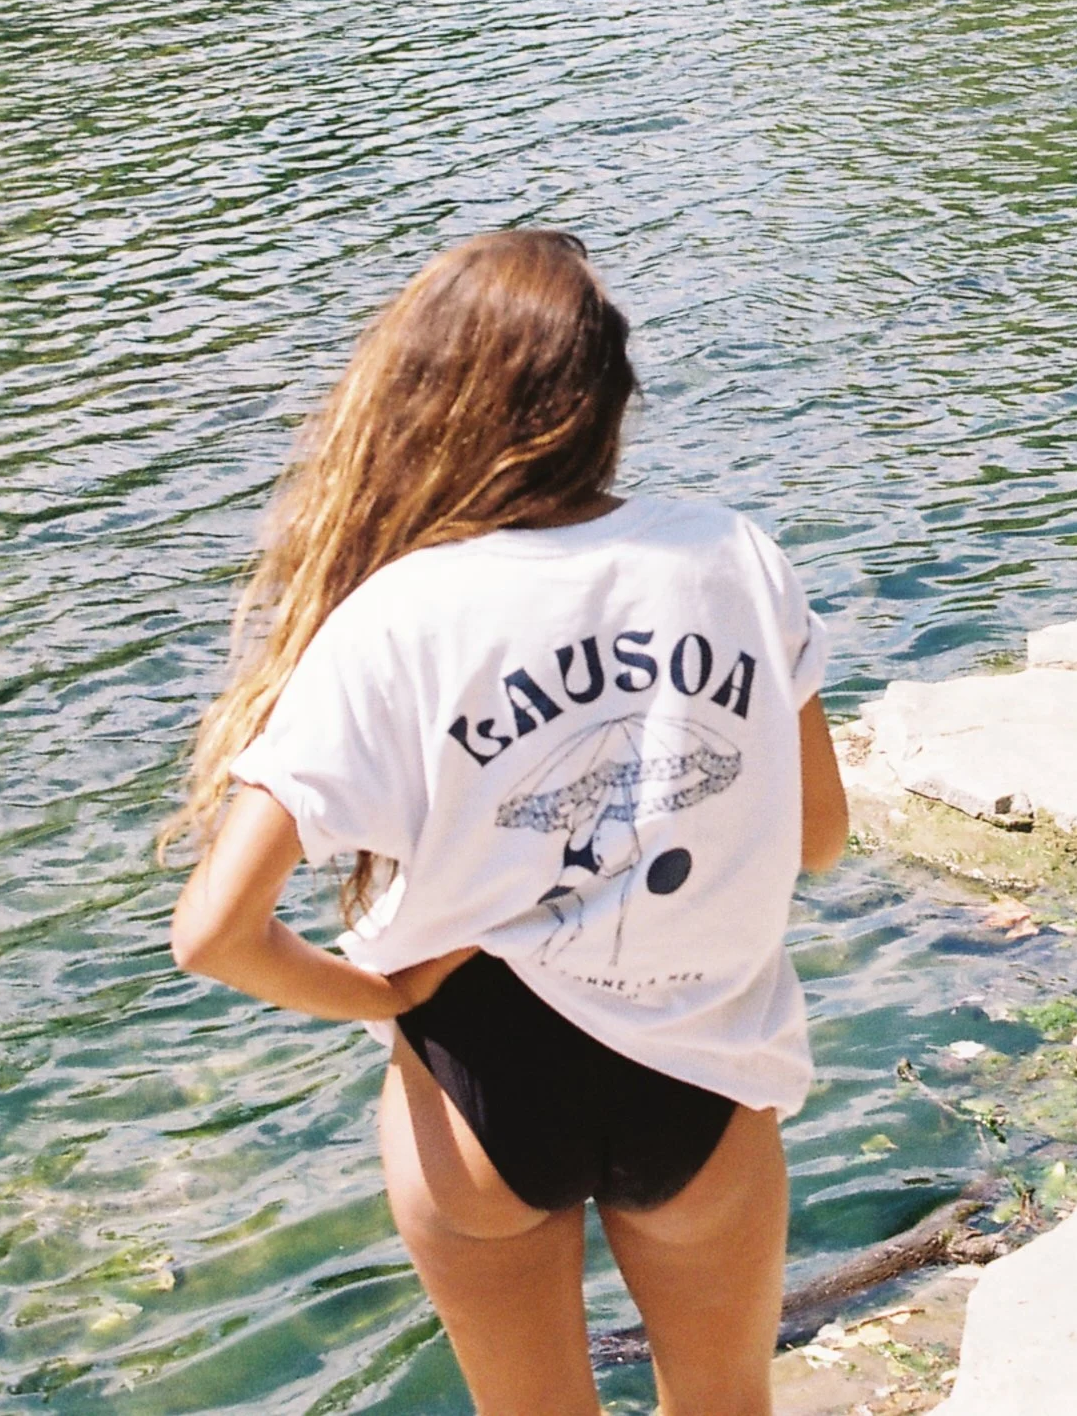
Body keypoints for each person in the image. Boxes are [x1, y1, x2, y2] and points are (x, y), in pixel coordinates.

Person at [162, 229, 849, 1416]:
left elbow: (216, 932)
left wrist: (377, 991)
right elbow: (820, 837)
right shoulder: (728, 553)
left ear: (426, 404)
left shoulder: (396, 616)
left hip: (478, 1078)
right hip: (700, 1055)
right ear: (609, 404)